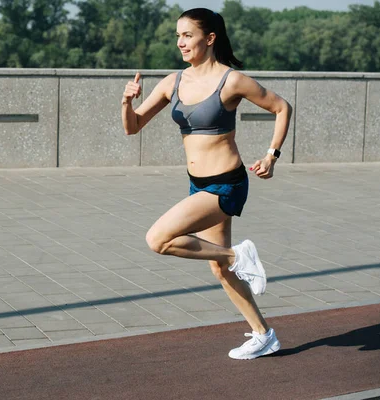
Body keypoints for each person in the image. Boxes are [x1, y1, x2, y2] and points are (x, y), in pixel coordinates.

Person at [121, 8, 292, 360]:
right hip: (197, 184)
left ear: (209, 38)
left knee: (158, 239)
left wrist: (272, 155)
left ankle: (238, 254)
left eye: (188, 35)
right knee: (219, 269)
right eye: (178, 36)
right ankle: (264, 335)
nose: (180, 42)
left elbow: (281, 106)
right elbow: (133, 126)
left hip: (227, 184)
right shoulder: (173, 82)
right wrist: (126, 101)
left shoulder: (231, 81)